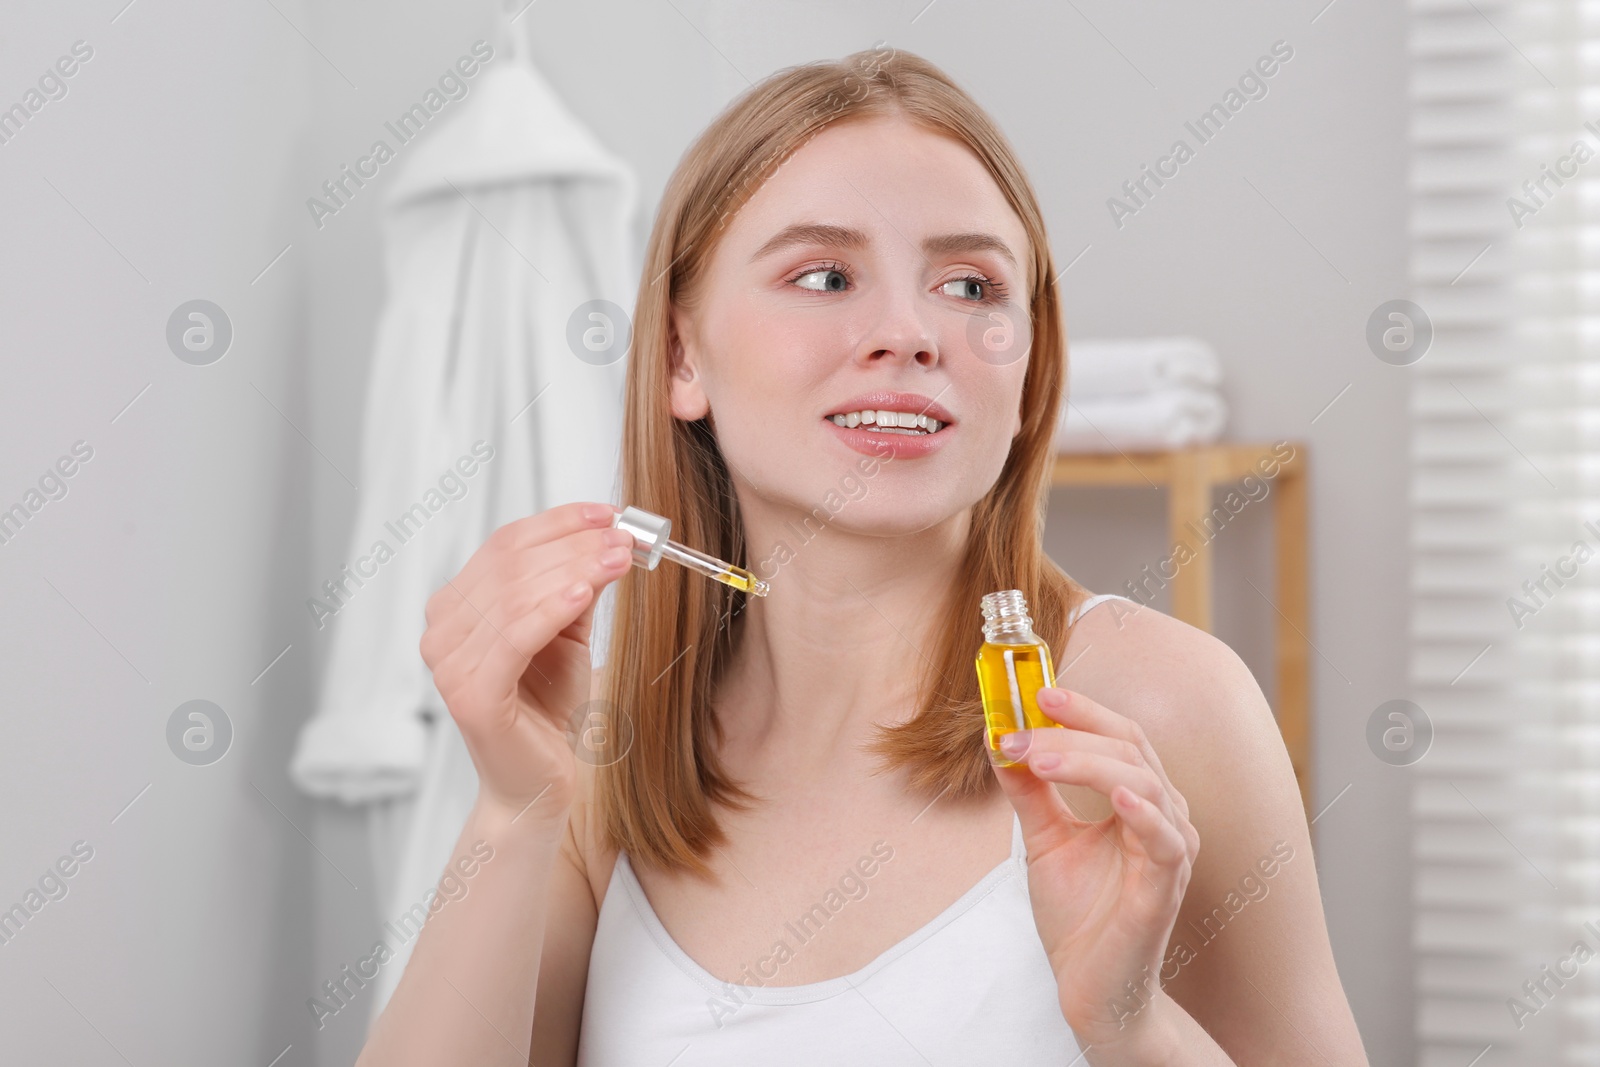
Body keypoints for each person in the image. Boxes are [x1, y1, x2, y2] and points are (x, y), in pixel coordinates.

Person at [355, 46, 1368, 1066]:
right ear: (679, 356)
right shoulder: (609, 748)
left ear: (1028, 367)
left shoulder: (1158, 703)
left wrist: (1129, 1025)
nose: (908, 330)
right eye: (825, 274)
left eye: (970, 284)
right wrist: (510, 813)